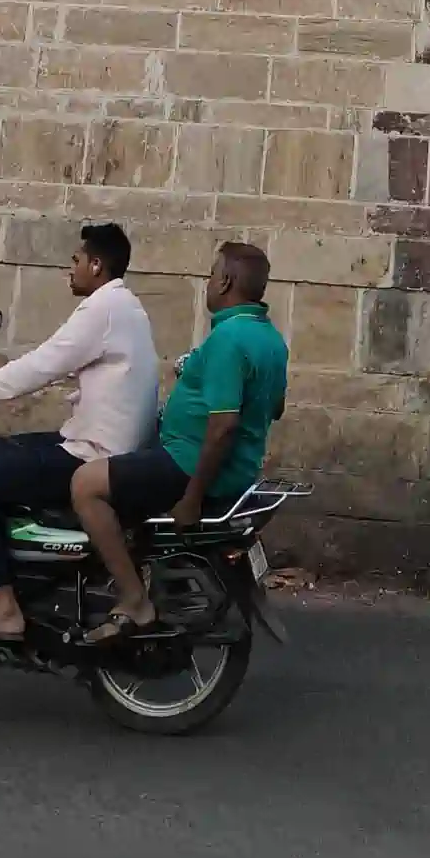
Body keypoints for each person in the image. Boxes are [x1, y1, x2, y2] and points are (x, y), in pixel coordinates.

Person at [0, 220, 158, 645]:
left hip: (92, 454)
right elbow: (59, 364)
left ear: (96, 265)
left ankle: (3, 609)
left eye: (76, 260)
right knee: (3, 449)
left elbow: (41, 367)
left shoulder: (103, 309)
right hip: (99, 444)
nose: (71, 268)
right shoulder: (125, 306)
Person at [72, 240, 288, 644]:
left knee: (85, 484)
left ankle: (134, 600)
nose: (207, 283)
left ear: (225, 282)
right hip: (234, 466)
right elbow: (273, 407)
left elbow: (223, 426)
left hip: (188, 463)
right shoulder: (270, 338)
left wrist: (192, 497)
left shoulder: (229, 338)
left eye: (211, 274)